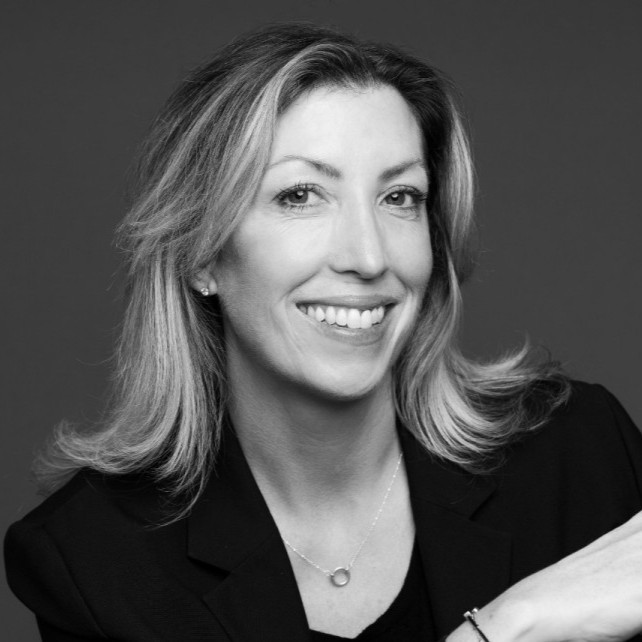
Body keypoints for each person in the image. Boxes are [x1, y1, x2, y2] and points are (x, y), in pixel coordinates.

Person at [5, 22, 642, 642]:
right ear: (202, 253)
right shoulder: (95, 561)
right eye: (300, 195)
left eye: (400, 197)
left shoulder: (581, 454)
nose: (368, 256)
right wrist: (505, 628)